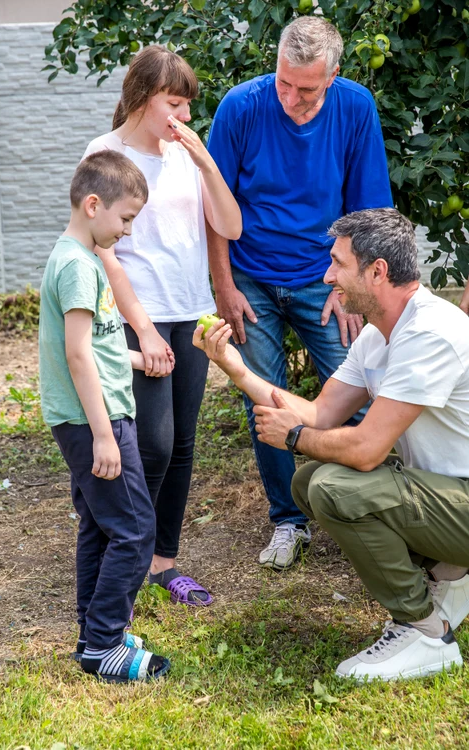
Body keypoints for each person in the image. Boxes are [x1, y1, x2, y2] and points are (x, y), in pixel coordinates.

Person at [194, 207, 469, 682]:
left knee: (335, 489)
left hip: (459, 498)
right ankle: (451, 571)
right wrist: (236, 369)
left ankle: (424, 631)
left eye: (339, 263)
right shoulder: (379, 336)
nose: (327, 276)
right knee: (310, 480)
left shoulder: (430, 333)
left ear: (377, 270)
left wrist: (295, 437)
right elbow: (321, 413)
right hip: (446, 494)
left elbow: (365, 449)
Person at [206, 16, 393, 570]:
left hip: (326, 279)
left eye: (306, 88)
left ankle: (372, 513)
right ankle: (289, 522)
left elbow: (369, 210)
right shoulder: (240, 106)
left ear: (332, 76)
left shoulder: (356, 107)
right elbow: (214, 208)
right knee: (263, 399)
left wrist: (350, 288)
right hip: (251, 279)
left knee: (358, 394)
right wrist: (224, 285)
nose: (291, 97)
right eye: (283, 82)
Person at [83, 45, 242, 605]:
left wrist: (205, 161)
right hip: (138, 317)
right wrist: (142, 328)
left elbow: (231, 224)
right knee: (148, 441)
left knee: (181, 445)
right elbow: (102, 252)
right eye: (175, 103)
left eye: (188, 106)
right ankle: (119, 548)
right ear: (144, 98)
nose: (185, 116)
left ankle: (161, 561)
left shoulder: (186, 154)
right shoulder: (104, 152)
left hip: (191, 313)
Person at [39, 150, 171, 683]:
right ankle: (103, 645)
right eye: (126, 219)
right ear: (93, 205)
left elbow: (97, 344)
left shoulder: (82, 258)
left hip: (96, 416)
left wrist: (141, 358)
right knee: (137, 531)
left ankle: (92, 632)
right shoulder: (77, 265)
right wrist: (103, 436)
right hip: (96, 420)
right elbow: (76, 354)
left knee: (101, 524)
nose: (128, 231)